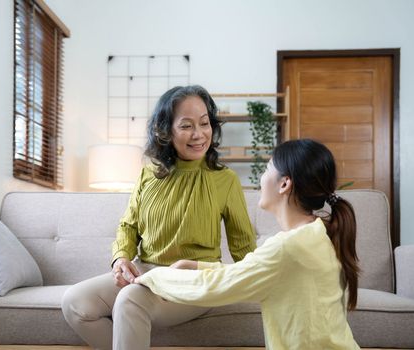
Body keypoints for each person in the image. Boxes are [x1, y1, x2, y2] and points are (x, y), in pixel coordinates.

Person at [61, 85, 256, 350]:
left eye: (204, 123)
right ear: (165, 131)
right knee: (74, 302)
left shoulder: (225, 180)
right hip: (147, 273)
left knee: (130, 299)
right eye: (186, 126)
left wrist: (261, 282)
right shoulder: (148, 174)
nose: (199, 134)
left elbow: (244, 247)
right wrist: (121, 259)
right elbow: (128, 226)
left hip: (194, 280)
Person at [137, 139, 361, 350]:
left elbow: (215, 287)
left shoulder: (289, 247)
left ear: (284, 184)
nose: (261, 179)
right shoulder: (316, 233)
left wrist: (149, 277)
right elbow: (249, 271)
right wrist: (195, 265)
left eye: (266, 169)